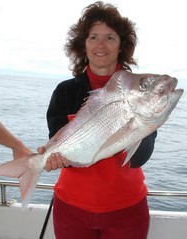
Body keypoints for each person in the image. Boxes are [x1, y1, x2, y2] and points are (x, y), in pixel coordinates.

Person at [41, 1, 157, 238]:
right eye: (93, 37)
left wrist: (146, 124)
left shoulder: (139, 91)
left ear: (121, 45)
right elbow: (63, 149)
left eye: (110, 37)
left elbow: (139, 159)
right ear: (83, 45)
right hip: (71, 207)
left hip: (127, 209)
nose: (101, 45)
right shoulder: (64, 92)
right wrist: (53, 158)